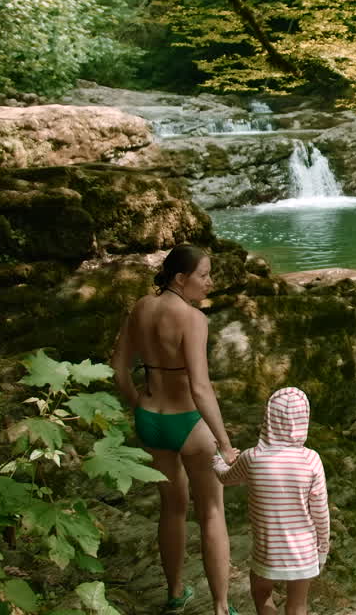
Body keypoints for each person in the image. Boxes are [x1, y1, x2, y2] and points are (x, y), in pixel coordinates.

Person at [111, 244, 240, 614]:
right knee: (212, 511)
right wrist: (225, 442)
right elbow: (200, 387)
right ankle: (220, 606)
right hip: (189, 423)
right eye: (204, 276)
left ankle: (175, 592)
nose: (209, 283)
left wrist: (138, 403)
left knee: (172, 507)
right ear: (181, 278)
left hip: (151, 420)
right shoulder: (192, 318)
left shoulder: (140, 307)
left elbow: (118, 368)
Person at [213, 387, 330, 615]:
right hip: (304, 552)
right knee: (297, 606)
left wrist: (217, 460)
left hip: (267, 550)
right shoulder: (311, 460)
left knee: (261, 592)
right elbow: (321, 512)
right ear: (304, 419)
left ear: (268, 418)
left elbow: (225, 478)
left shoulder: (252, 458)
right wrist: (322, 549)